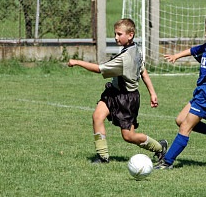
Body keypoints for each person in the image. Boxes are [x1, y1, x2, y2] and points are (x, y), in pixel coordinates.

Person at [68, 18, 168, 163]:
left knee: (128, 136)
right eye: (115, 34)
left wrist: (77, 62)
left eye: (119, 34)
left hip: (127, 99)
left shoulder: (125, 58)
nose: (115, 37)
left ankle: (159, 147)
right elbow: (143, 71)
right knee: (97, 116)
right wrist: (153, 93)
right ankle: (102, 156)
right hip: (114, 93)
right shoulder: (136, 49)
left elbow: (99, 69)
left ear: (130, 35)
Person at [154, 14, 206, 170]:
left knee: (185, 128)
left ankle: (167, 162)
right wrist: (176, 56)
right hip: (200, 91)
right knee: (180, 121)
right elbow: (192, 50)